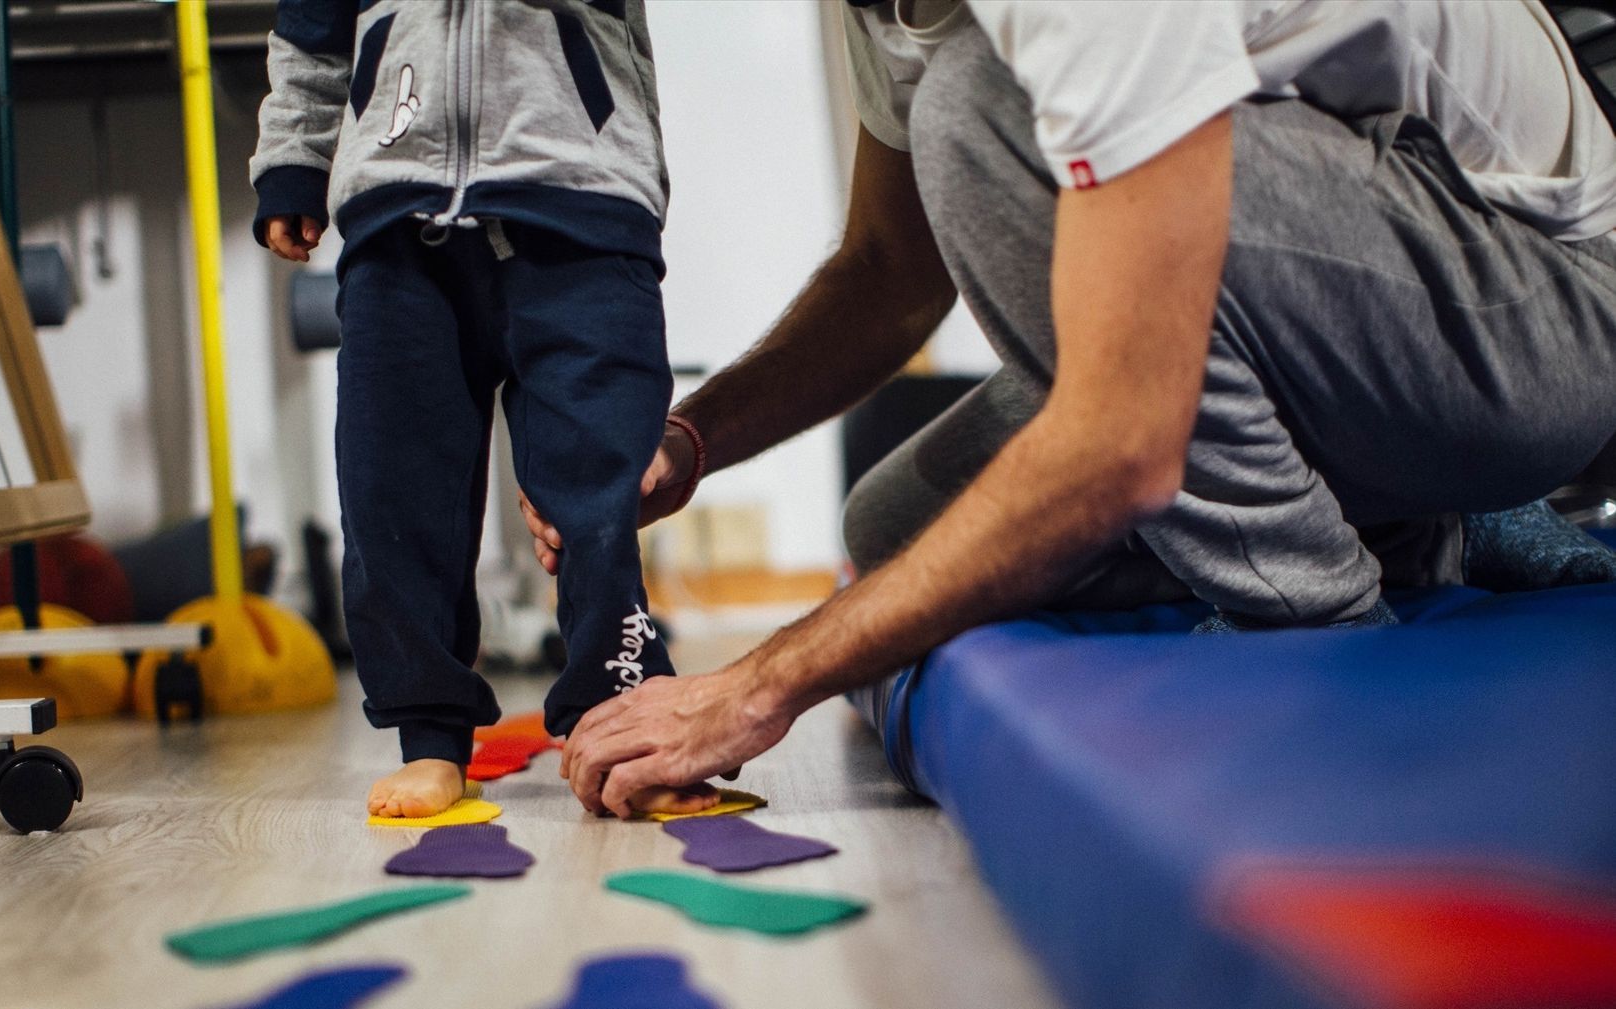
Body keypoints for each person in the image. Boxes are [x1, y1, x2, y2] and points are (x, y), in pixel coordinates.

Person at [532, 0, 1616, 816]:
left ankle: (1309, 611)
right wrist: (691, 440)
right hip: (1362, 306)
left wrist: (760, 685)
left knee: (980, 103)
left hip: (1543, 309)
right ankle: (1434, 525)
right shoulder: (880, 9)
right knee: (899, 525)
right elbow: (886, 270)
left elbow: (1122, 446)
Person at [251, 0, 717, 818]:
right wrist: (295, 159)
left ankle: (621, 714)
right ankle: (429, 736)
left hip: (579, 195)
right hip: (398, 215)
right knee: (392, 492)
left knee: (594, 487)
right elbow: (310, 32)